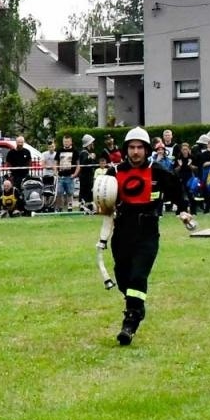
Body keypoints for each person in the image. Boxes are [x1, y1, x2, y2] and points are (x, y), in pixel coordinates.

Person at [103, 127, 187, 346]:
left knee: (138, 276)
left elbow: (178, 192)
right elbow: (102, 197)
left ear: (147, 149)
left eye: (140, 147)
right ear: (126, 150)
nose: (136, 152)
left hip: (147, 232)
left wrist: (183, 210)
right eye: (132, 147)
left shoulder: (158, 171)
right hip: (122, 232)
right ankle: (136, 306)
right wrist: (100, 206)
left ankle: (130, 322)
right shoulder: (113, 173)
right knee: (123, 277)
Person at [4, 135, 32, 213]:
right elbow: (8, 163)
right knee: (16, 192)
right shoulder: (11, 152)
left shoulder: (27, 151)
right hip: (15, 176)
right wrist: (11, 170)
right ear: (16, 142)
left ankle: (26, 209)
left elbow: (29, 162)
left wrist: (27, 168)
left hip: (25, 175)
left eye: (21, 142)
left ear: (24, 142)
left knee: (26, 192)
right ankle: (17, 209)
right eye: (19, 142)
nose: (20, 144)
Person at [76, 134, 100, 211]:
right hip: (85, 177)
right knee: (85, 191)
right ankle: (83, 205)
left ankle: (88, 205)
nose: (93, 144)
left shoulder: (88, 153)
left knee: (89, 191)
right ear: (89, 144)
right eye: (92, 142)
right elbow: (83, 163)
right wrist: (90, 157)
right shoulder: (84, 153)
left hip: (89, 176)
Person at [55, 135, 77, 211]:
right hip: (61, 176)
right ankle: (60, 208)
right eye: (64, 142)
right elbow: (55, 163)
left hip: (70, 176)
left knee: (70, 193)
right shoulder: (59, 150)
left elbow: (78, 164)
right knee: (59, 192)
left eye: (67, 141)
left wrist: (75, 174)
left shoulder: (75, 151)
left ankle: (70, 207)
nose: (66, 143)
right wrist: (56, 173)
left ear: (71, 142)